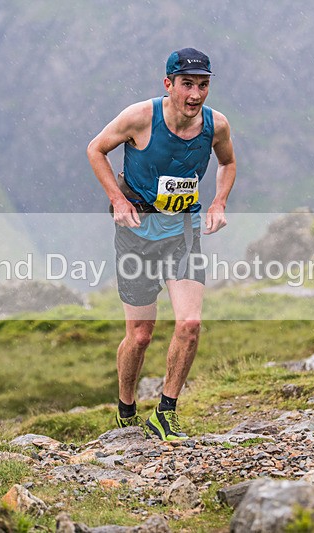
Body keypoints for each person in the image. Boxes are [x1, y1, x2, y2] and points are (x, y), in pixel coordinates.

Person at [86, 48, 236, 441]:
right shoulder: (140, 118)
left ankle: (165, 413)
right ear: (168, 84)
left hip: (183, 232)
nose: (195, 94)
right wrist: (117, 200)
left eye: (203, 85)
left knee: (190, 324)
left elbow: (227, 162)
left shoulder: (216, 125)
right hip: (137, 234)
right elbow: (95, 149)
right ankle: (126, 409)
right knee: (140, 335)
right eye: (187, 84)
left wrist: (219, 202)